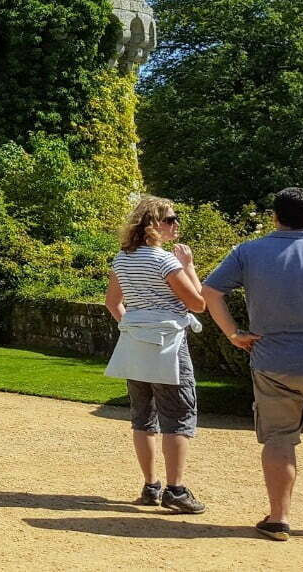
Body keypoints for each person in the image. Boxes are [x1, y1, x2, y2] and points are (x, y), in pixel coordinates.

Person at [203, 186, 303, 542]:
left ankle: (279, 518)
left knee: (279, 439)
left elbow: (210, 292)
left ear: (275, 216)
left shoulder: (249, 252)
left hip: (274, 361)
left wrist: (234, 334)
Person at [102, 196, 207, 514]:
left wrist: (134, 326)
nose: (176, 224)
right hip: (168, 345)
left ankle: (151, 486)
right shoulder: (166, 262)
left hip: (135, 343)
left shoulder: (123, 259)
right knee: (178, 414)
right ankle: (175, 490)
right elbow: (198, 303)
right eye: (171, 219)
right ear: (154, 225)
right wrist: (188, 266)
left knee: (142, 414)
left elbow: (112, 302)